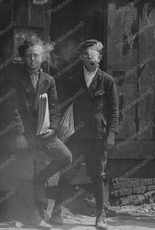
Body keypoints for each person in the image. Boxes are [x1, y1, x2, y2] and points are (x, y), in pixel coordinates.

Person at [50, 39, 119, 230]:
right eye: (87, 55)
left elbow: (114, 110)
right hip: (75, 135)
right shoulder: (73, 79)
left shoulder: (107, 80)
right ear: (81, 57)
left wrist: (112, 133)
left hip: (98, 136)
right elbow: (60, 102)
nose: (91, 58)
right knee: (68, 172)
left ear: (100, 57)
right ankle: (56, 211)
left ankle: (101, 216)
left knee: (98, 175)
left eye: (95, 54)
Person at [6, 38, 72, 228]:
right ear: (23, 58)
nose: (33, 59)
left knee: (66, 157)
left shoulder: (49, 80)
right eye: (29, 56)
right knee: (27, 172)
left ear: (43, 57)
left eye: (36, 55)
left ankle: (41, 179)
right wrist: (19, 133)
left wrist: (53, 129)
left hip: (45, 134)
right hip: (25, 136)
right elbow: (13, 109)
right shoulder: (16, 79)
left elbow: (55, 108)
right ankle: (34, 215)